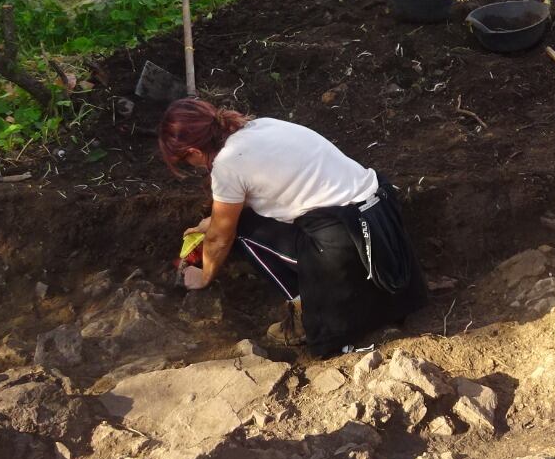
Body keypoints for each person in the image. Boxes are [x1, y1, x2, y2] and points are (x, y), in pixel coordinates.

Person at [158, 99, 426, 353]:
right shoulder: (260, 126)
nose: (191, 167)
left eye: (186, 162)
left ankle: (304, 312)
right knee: (244, 221)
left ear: (193, 151)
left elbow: (220, 238)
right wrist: (213, 220)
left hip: (346, 238)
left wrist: (203, 276)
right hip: (380, 216)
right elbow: (267, 185)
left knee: (240, 232)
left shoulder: (227, 165)